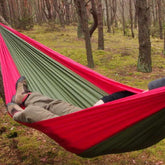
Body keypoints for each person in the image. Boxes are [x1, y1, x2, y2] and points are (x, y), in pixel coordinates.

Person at [7, 76, 165, 123]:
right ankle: (26, 96)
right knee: (57, 105)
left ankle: (17, 113)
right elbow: (129, 95)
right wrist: (103, 102)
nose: (147, 92)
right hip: (91, 117)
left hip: (91, 132)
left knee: (34, 112)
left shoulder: (154, 115)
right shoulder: (150, 96)